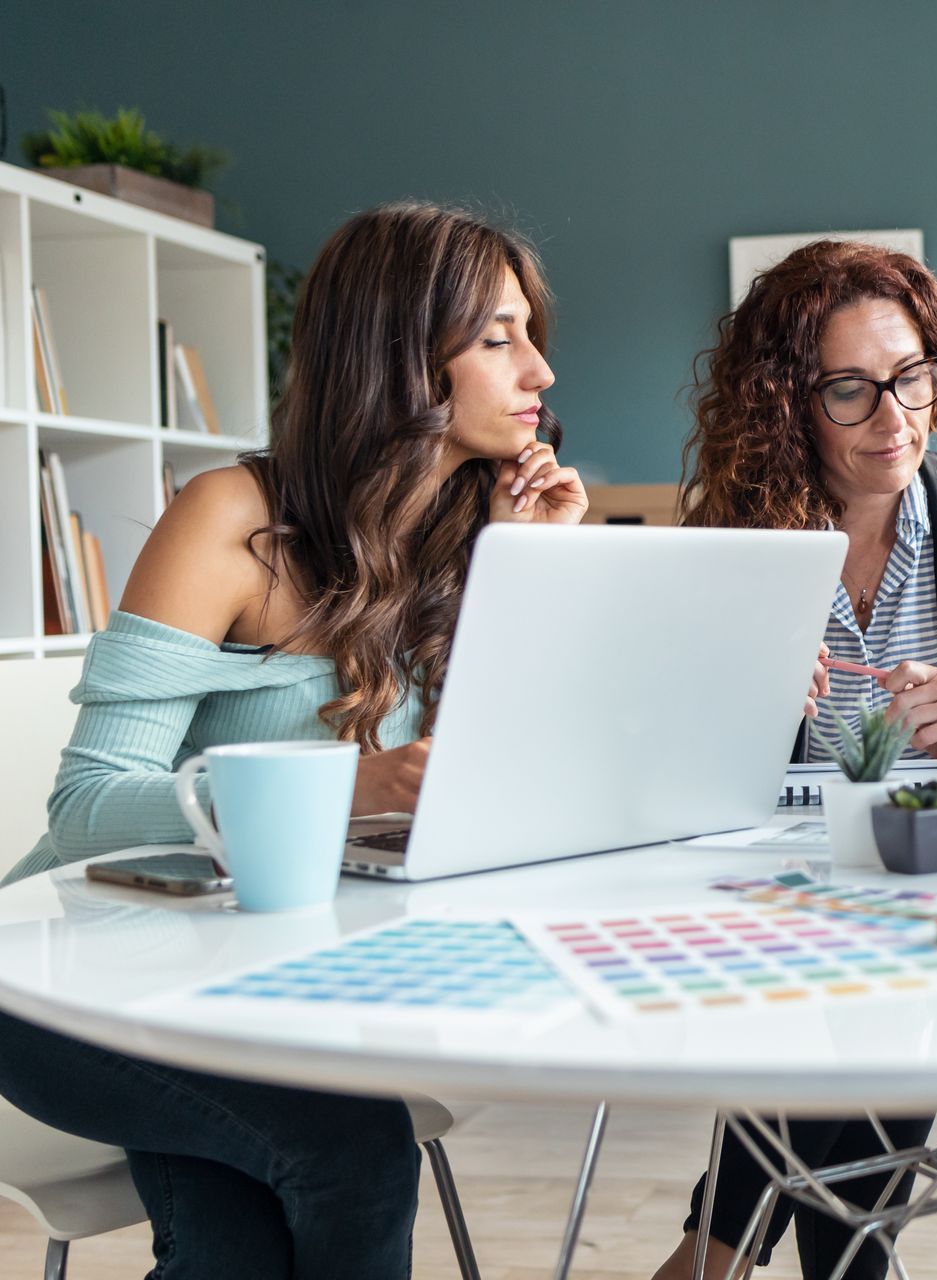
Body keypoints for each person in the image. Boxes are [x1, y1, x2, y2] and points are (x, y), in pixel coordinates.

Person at [0, 201, 586, 1278]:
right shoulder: (231, 519)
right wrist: (341, 785)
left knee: (235, 1247)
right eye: (497, 337)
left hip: (260, 987)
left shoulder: (472, 540)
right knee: (351, 1153)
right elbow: (84, 808)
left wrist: (525, 577)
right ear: (399, 358)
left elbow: (471, 786)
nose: (539, 368)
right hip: (68, 985)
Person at [655, 240, 937, 1280]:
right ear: (789, 402)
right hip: (785, 893)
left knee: (862, 1001)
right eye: (850, 390)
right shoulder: (736, 536)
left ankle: (713, 1251)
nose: (894, 417)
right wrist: (748, 706)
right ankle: (810, 1262)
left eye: (911, 376)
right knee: (836, 1002)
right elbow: (679, 759)